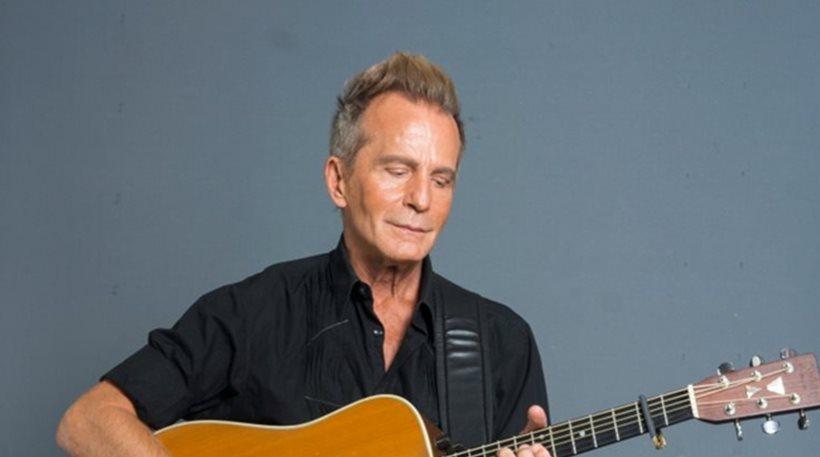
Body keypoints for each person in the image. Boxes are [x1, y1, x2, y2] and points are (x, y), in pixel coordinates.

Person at [56, 52, 551, 457]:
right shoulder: (253, 312)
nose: (421, 199)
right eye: (398, 170)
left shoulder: (501, 342)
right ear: (339, 181)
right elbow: (87, 420)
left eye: (441, 180)